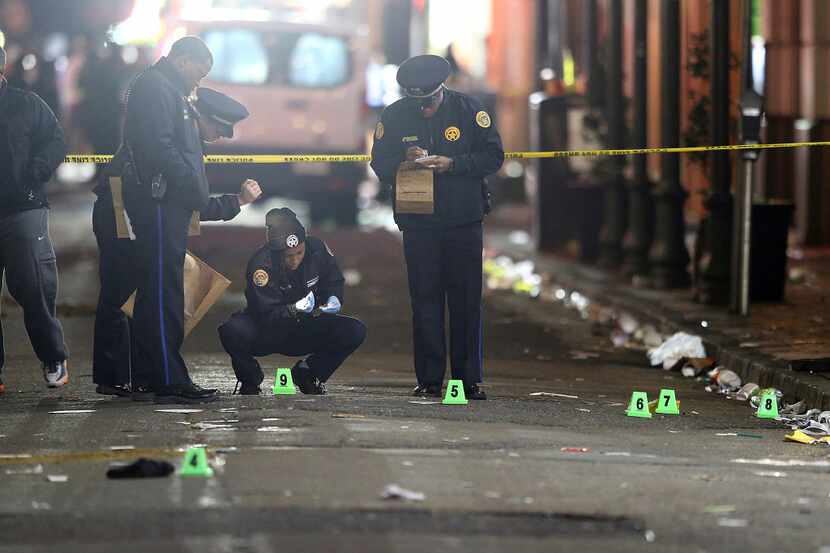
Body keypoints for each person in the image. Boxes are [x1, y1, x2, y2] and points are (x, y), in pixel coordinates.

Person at [93, 86, 262, 399]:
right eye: (219, 128)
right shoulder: (179, 142)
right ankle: (128, 377)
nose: (222, 136)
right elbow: (188, 201)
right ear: (202, 118)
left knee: (142, 296)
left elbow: (186, 204)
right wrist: (236, 201)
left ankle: (139, 376)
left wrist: (234, 202)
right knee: (128, 293)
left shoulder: (187, 140)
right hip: (124, 211)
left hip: (131, 211)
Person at [370, 54, 504, 400]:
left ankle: (467, 380)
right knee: (425, 299)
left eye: (429, 102)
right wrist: (404, 160)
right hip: (418, 222)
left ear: (441, 90)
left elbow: (493, 157)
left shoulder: (469, 111)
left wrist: (453, 164)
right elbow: (379, 162)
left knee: (465, 300)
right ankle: (429, 379)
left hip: (463, 219)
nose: (425, 110)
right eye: (418, 103)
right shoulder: (395, 115)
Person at [120, 36, 239, 404]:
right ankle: (169, 378)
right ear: (184, 61)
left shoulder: (167, 89)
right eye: (199, 73)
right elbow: (161, 148)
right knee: (163, 292)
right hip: (160, 202)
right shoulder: (158, 88)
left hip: (166, 201)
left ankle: (149, 373)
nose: (198, 82)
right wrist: (190, 188)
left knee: (160, 289)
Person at [218, 208, 366, 395]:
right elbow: (264, 312)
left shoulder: (317, 249)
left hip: (305, 327)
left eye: (299, 252)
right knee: (231, 330)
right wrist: (293, 309)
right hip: (269, 331)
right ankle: (250, 380)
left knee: (354, 330)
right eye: (288, 256)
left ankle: (308, 373)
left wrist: (334, 298)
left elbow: (333, 280)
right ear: (276, 252)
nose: (295, 260)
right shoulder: (261, 265)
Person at [0, 44, 69, 395]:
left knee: (34, 288)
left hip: (23, 209)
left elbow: (57, 141)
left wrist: (38, 170)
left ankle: (53, 356)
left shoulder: (25, 104)